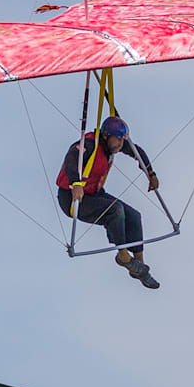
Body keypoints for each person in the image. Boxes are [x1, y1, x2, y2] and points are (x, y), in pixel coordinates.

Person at [57, 115, 161, 289]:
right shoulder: (90, 144)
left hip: (94, 194)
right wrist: (75, 183)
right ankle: (123, 257)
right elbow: (71, 160)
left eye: (122, 141)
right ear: (106, 135)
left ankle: (139, 266)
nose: (120, 145)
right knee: (115, 210)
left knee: (134, 216)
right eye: (118, 140)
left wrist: (151, 173)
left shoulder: (114, 146)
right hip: (72, 198)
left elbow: (137, 152)